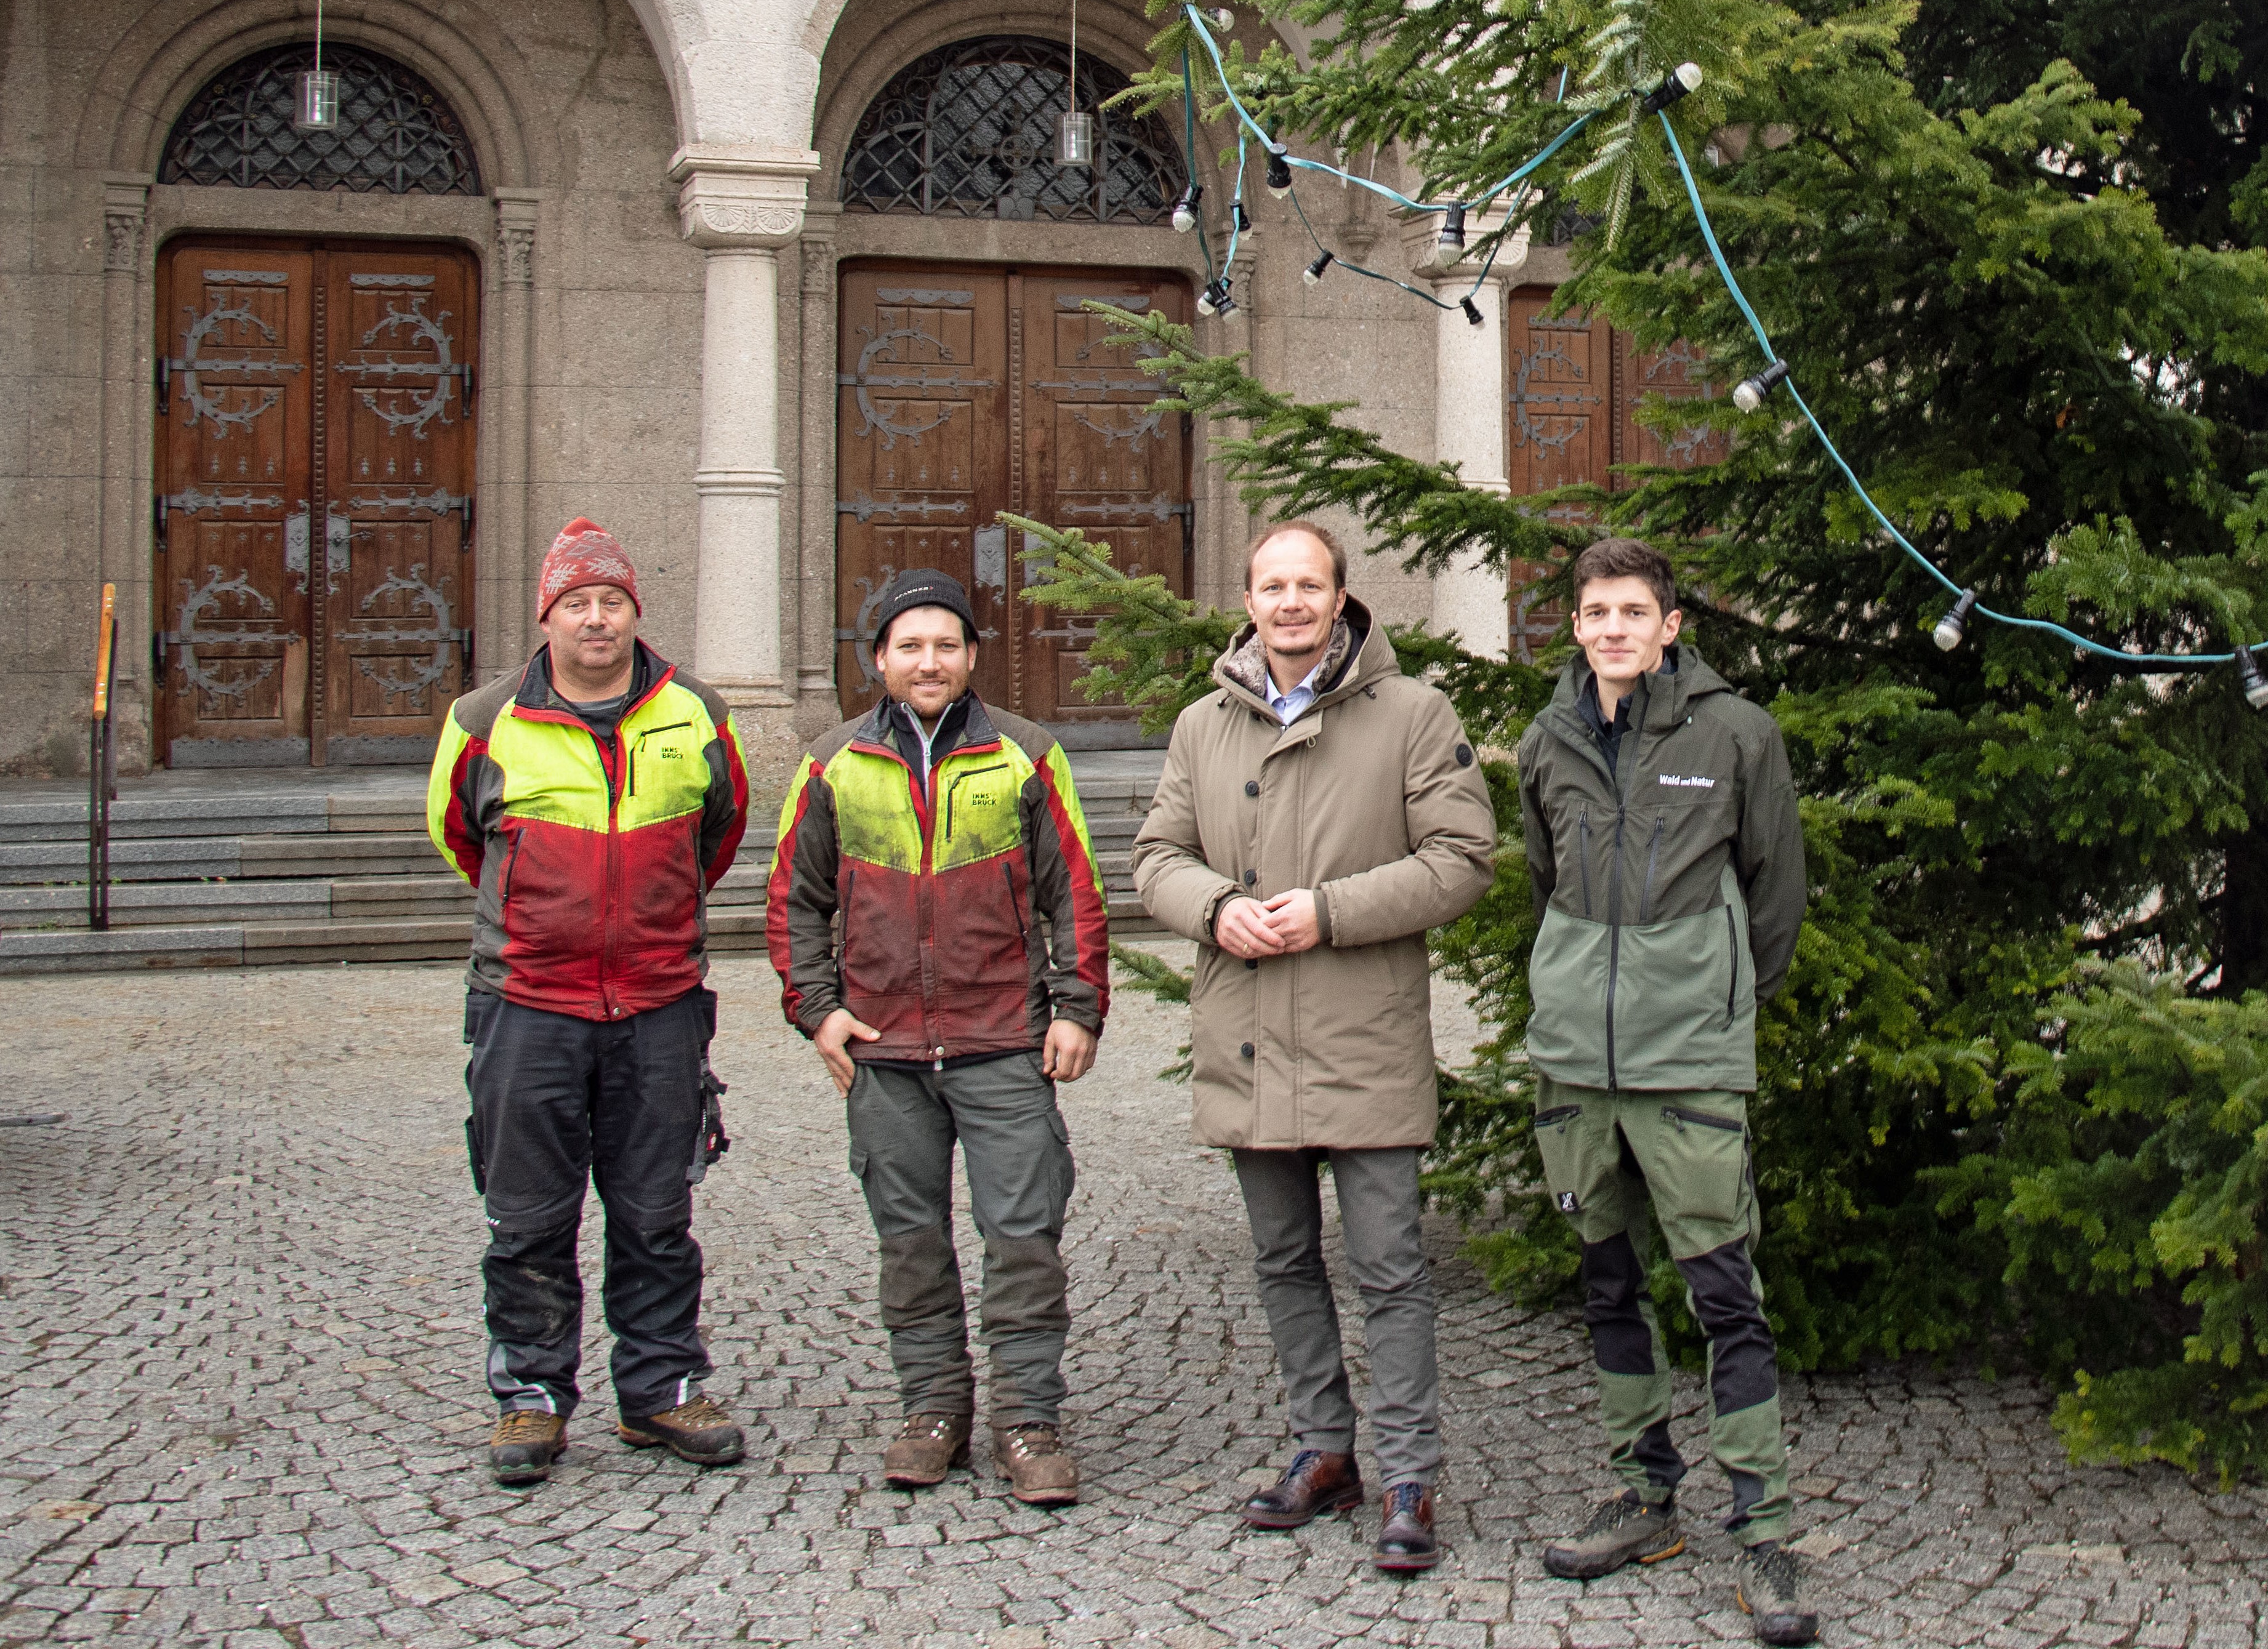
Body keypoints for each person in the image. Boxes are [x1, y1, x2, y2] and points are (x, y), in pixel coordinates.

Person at [1130, 518, 1493, 1573]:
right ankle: (1323, 1448)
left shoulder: (1413, 714)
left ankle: (1411, 1474)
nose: (1290, 603)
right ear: (1247, 602)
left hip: (1361, 1031)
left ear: (1342, 598)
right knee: (1284, 1261)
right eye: (1272, 586)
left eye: (1309, 585)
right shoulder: (1203, 725)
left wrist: (1328, 911)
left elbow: (1463, 857)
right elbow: (1157, 854)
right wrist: (1214, 909)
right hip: (1249, 1034)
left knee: (1390, 1267)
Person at [1516, 537, 1816, 1647]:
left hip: (1688, 1064)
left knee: (1724, 1292)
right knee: (1608, 1285)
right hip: (1577, 1067)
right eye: (1597, 612)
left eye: (1634, 612)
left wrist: (1718, 1003)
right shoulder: (1546, 740)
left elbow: (1776, 892)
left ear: (1671, 625)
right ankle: (1642, 1495)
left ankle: (1765, 1529)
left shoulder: (1736, 735)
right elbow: (1546, 882)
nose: (1614, 629)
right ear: (1577, 626)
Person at [768, 569, 1111, 1504]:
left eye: (947, 645)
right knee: (911, 1241)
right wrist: (818, 1009)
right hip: (883, 1047)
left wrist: (1077, 1007)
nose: (930, 662)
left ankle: (1027, 1418)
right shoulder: (833, 763)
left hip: (1002, 1038)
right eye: (910, 646)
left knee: (1024, 1236)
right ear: (879, 659)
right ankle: (933, 1410)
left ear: (971, 656)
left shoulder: (1026, 755)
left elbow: (1074, 890)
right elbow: (794, 898)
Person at [425, 518, 752, 1487]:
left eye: (612, 601)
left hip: (658, 1002)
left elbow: (719, 831)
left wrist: (646, 919)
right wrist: (546, 918)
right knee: (526, 1216)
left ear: (635, 613)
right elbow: (459, 836)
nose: (597, 619)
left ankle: (661, 1390)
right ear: (548, 617)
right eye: (577, 604)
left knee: (656, 1212)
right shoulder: (484, 720)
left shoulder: (696, 712)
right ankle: (531, 1396)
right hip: (528, 1004)